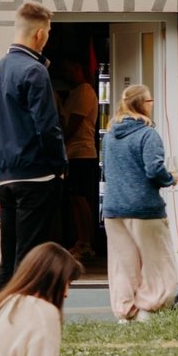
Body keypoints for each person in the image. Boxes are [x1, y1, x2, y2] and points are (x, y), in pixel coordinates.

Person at [0, 2, 69, 291]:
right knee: (30, 254)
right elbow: (47, 125)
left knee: (9, 254)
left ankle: (1, 315)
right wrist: (59, 165)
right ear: (40, 34)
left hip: (3, 175)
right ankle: (23, 313)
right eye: (49, 32)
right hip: (35, 174)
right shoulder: (34, 71)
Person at [100, 84, 178, 322]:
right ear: (142, 104)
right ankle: (148, 309)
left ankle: (125, 312)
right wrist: (170, 178)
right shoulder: (148, 134)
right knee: (157, 262)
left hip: (113, 209)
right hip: (144, 209)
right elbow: (154, 169)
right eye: (150, 101)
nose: (152, 105)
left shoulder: (110, 135)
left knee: (123, 265)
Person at [59, 58, 101, 263]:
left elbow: (74, 124)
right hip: (74, 153)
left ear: (78, 68)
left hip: (82, 153)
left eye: (67, 70)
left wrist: (57, 143)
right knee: (76, 199)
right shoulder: (76, 92)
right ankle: (82, 241)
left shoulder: (84, 91)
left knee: (81, 199)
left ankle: (86, 242)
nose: (64, 75)